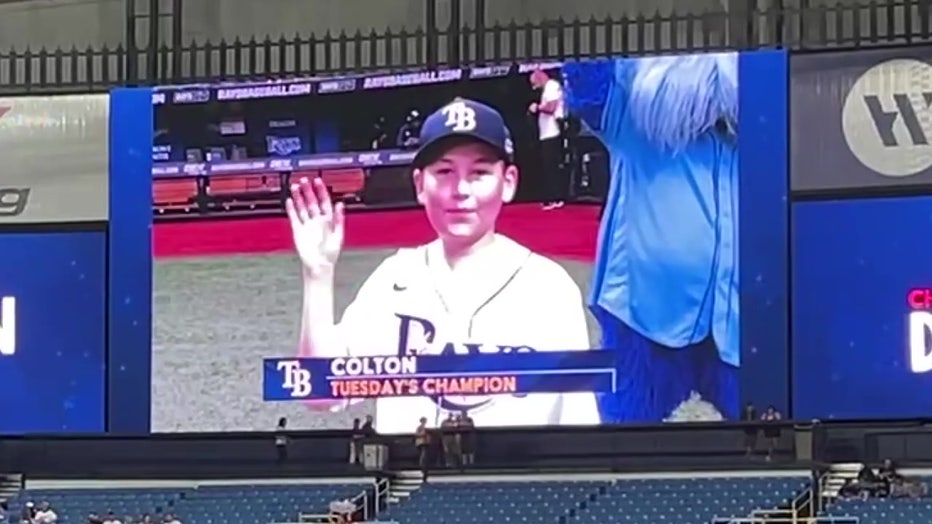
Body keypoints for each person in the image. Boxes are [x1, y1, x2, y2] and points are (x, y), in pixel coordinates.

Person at [289, 97, 600, 434]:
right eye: (445, 172)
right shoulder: (394, 279)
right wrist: (317, 276)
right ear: (421, 185)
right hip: (406, 483)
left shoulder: (548, 289)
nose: (461, 190)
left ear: (508, 182)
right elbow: (320, 391)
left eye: (479, 172)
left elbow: (577, 425)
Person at [562, 54, 739, 424]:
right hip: (645, 314)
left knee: (778, 446)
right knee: (622, 447)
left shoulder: (767, 122)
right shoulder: (634, 105)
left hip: (743, 317)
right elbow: (590, 86)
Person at [528, 69, 566, 210]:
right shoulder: (547, 89)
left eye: (534, 84)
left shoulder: (551, 86)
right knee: (547, 166)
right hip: (545, 133)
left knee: (552, 165)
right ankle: (551, 196)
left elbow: (551, 107)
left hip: (552, 132)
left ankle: (555, 197)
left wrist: (537, 107)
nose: (535, 88)